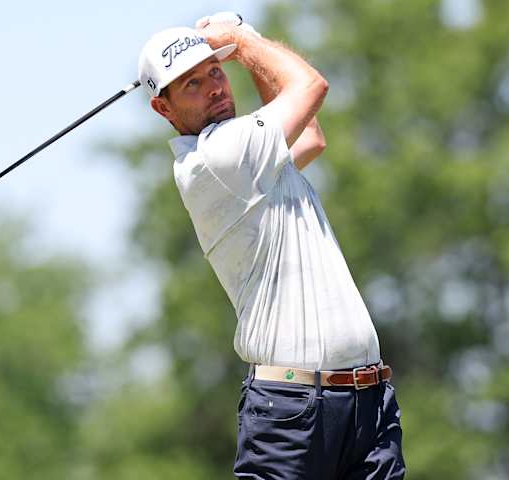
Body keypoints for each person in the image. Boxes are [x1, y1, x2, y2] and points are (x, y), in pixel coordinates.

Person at [137, 12, 405, 480]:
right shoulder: (217, 156)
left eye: (216, 71)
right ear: (164, 108)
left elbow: (312, 137)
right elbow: (310, 86)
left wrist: (247, 45)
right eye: (192, 84)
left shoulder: (252, 156)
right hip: (292, 411)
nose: (215, 88)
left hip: (368, 406)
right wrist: (241, 40)